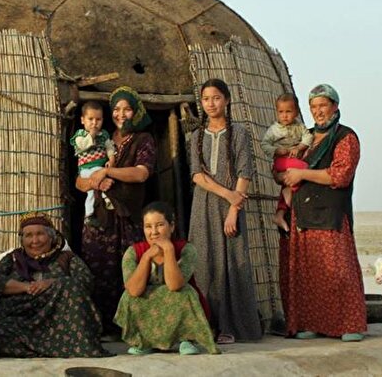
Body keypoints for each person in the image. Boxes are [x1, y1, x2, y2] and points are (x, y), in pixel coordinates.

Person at [281, 83, 367, 342]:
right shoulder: (306, 137)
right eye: (314, 107)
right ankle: (312, 323)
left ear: (335, 107)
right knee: (308, 273)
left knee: (337, 270)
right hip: (302, 213)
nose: (318, 111)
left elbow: (340, 174)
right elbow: (287, 165)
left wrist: (302, 174)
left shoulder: (345, 137)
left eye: (323, 105)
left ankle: (348, 325)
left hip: (329, 213)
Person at [76, 86, 156, 338]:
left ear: (136, 111)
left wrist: (108, 172)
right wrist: (94, 182)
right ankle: (102, 328)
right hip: (99, 217)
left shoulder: (143, 139)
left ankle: (131, 328)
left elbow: (141, 173)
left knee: (129, 271)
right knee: (98, 271)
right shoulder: (101, 138)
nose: (122, 114)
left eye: (127, 109)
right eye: (117, 109)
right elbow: (79, 180)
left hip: (126, 217)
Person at [188, 78, 263, 344]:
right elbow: (197, 175)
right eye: (206, 99)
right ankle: (207, 324)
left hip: (232, 207)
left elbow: (244, 172)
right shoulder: (196, 136)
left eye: (216, 98)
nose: (211, 104)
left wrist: (233, 207)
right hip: (204, 206)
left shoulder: (239, 133)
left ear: (227, 100)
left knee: (232, 262)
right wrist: (227, 193)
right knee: (204, 262)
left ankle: (230, 326)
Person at [0, 211, 110, 358]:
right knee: (1, 335)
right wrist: (27, 287)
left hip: (62, 327)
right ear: (22, 240)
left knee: (69, 284)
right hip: (24, 324)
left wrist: (52, 283)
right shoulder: (12, 259)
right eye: (29, 235)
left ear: (51, 236)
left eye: (40, 234)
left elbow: (86, 281)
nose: (35, 240)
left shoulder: (67, 258)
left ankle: (54, 349)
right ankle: (60, 350)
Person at [114, 202, 218, 355]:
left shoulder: (186, 250)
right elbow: (134, 290)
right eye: (148, 227)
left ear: (172, 226)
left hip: (178, 303)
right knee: (128, 297)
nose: (154, 232)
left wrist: (169, 250)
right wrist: (146, 257)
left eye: (160, 225)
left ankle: (186, 339)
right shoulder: (133, 252)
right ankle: (144, 341)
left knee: (186, 292)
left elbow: (174, 285)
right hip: (147, 308)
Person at [261, 93, 313, 232]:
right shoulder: (274, 129)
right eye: (281, 112)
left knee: (291, 181)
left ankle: (280, 214)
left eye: (288, 112)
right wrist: (278, 150)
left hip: (292, 161)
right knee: (305, 168)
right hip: (281, 162)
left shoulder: (299, 127)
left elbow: (309, 138)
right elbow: (264, 145)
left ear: (296, 112)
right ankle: (295, 201)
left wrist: (299, 147)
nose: (284, 116)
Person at [70, 100, 117, 220]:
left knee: (92, 192)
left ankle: (89, 213)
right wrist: (92, 134)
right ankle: (107, 200)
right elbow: (83, 145)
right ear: (82, 120)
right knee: (101, 180)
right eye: (90, 119)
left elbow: (109, 147)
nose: (94, 123)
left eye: (98, 119)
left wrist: (111, 159)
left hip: (100, 168)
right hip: (86, 169)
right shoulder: (80, 135)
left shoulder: (104, 135)